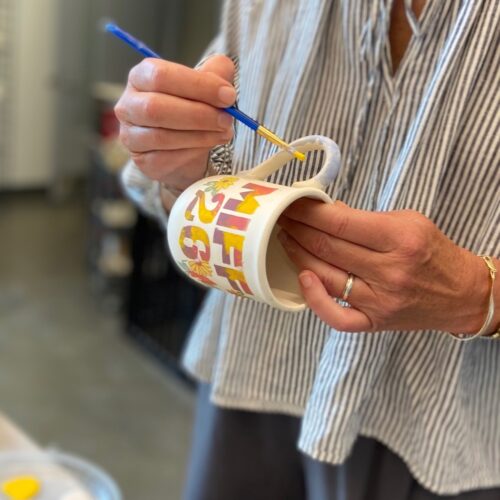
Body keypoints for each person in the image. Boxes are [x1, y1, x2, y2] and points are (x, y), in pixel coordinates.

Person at [115, 0, 500, 498]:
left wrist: (479, 294)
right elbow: (182, 180)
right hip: (250, 370)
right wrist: (179, 166)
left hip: (449, 428)